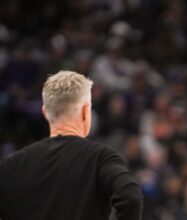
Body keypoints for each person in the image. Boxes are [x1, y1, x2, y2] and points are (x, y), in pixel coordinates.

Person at [0, 70, 143, 220]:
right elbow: (130, 196)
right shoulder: (101, 158)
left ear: (45, 112)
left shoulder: (9, 166)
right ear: (85, 110)